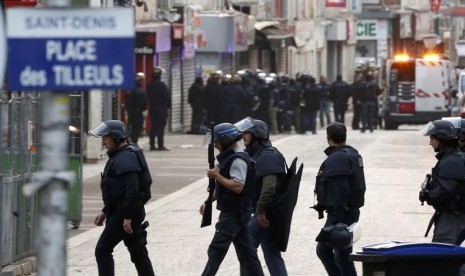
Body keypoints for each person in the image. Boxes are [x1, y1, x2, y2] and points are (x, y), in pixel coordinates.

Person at [88, 120, 155, 276]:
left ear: (117, 138)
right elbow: (118, 190)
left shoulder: (126, 158)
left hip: (124, 213)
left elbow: (132, 190)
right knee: (138, 253)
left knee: (102, 250)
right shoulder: (123, 154)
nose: (103, 142)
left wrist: (127, 217)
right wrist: (105, 211)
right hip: (127, 210)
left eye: (106, 138)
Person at [199, 123, 264, 276]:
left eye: (217, 142)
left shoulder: (237, 160)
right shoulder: (229, 157)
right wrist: (209, 201)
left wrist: (216, 176)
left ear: (225, 141)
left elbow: (237, 186)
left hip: (234, 213)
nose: (215, 146)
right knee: (248, 255)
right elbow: (224, 187)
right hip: (236, 212)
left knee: (216, 250)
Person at [313, 122, 366, 276]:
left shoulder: (337, 158)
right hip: (347, 211)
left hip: (341, 212)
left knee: (325, 251)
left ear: (328, 138)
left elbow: (340, 190)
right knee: (341, 254)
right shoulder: (352, 154)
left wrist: (336, 218)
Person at [240, 118, 288, 276]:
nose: (243, 136)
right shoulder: (257, 153)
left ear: (257, 135)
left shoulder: (267, 155)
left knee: (246, 251)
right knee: (272, 254)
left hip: (266, 213)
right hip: (268, 212)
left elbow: (269, 187)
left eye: (247, 133)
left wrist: (260, 211)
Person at [418, 119, 465, 244]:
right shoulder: (451, 158)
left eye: (432, 138)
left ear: (441, 139)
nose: (430, 143)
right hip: (451, 215)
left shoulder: (452, 161)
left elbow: (446, 191)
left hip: (452, 217)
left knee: (442, 255)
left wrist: (428, 195)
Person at [146, 66, 171, 151]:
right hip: (161, 108)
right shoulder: (162, 85)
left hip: (153, 108)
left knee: (153, 126)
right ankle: (160, 145)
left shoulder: (149, 85)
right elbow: (167, 97)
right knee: (161, 127)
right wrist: (168, 106)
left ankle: (152, 145)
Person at [125, 72, 147, 144]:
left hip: (130, 112)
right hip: (137, 112)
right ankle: (134, 144)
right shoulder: (139, 91)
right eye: (140, 80)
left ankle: (130, 143)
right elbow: (143, 103)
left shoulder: (129, 90)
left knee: (130, 128)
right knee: (136, 129)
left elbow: (127, 102)